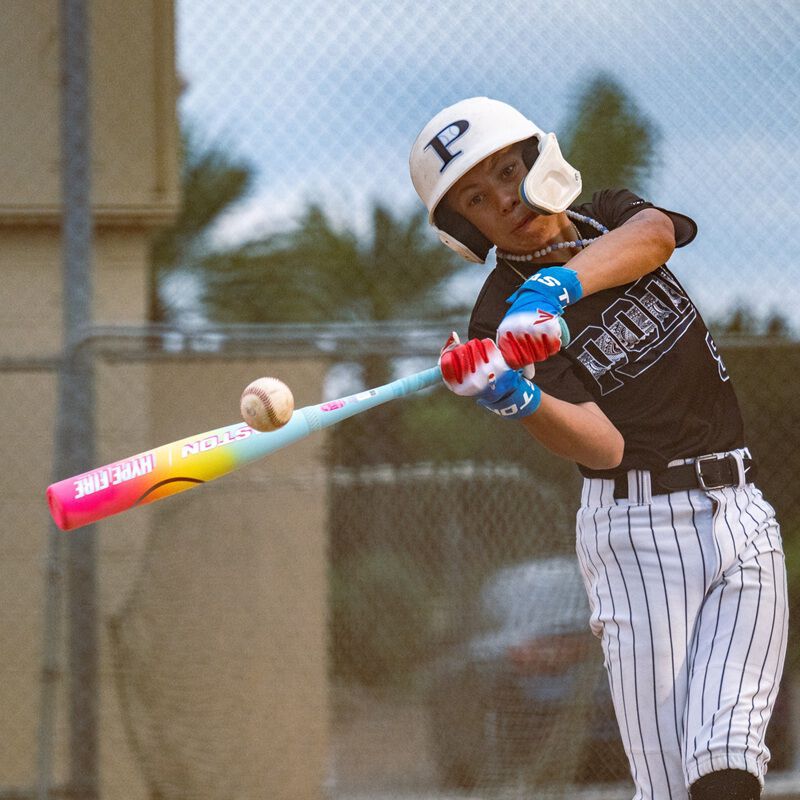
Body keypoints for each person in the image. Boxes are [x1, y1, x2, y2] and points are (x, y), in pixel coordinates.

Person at [409, 96, 788, 800]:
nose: (505, 198)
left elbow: (656, 236)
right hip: (641, 535)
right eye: (478, 197)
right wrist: (513, 395)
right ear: (467, 226)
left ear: (539, 159)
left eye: (508, 171)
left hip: (741, 510)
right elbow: (603, 445)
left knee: (731, 757)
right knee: (675, 785)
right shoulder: (495, 315)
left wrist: (558, 285)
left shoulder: (605, 215)